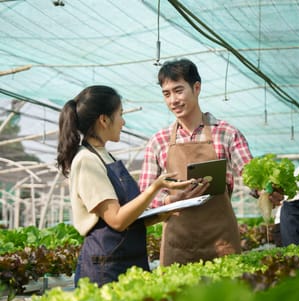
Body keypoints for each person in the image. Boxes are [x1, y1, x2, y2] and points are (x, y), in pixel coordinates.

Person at [56, 85, 200, 287]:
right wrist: (155, 187)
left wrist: (167, 209)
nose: (123, 122)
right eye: (120, 114)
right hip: (106, 269)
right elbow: (116, 220)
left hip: (126, 261)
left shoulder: (105, 156)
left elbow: (130, 216)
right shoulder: (86, 160)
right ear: (104, 120)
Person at [139, 58, 254, 266]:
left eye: (178, 90)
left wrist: (264, 190)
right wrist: (170, 200)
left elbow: (249, 173)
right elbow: (145, 196)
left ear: (197, 88)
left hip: (221, 242)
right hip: (177, 244)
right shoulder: (159, 141)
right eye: (167, 94)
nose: (173, 100)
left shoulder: (226, 133)